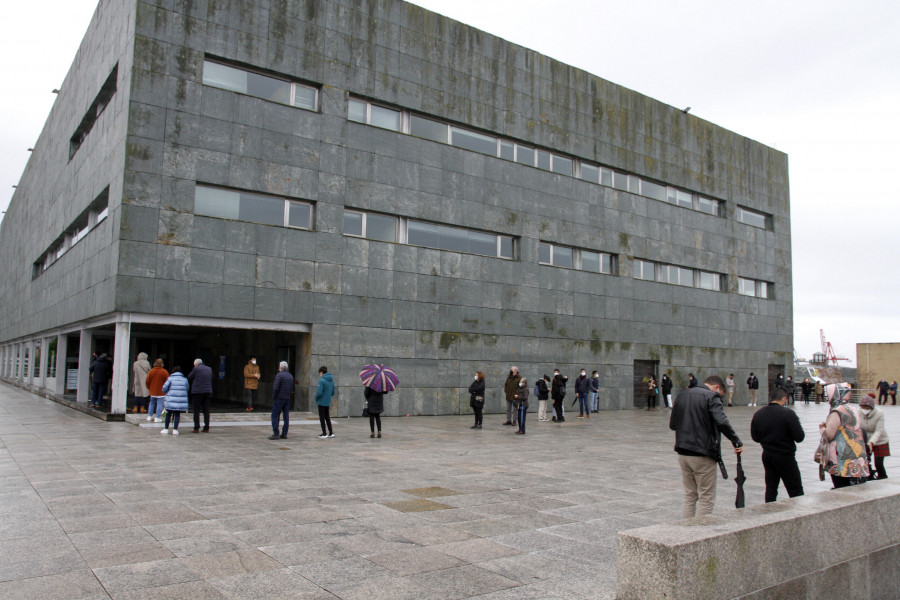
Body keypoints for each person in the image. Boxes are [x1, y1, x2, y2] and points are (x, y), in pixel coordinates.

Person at [669, 375, 743, 519]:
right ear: (717, 388)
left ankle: (686, 532)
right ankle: (700, 534)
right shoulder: (711, 397)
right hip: (703, 454)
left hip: (683, 452)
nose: (719, 397)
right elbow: (722, 422)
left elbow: (673, 425)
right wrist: (736, 441)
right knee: (706, 497)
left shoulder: (682, 396)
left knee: (690, 495)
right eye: (720, 394)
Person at [750, 387, 805, 502]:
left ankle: (769, 511)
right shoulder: (788, 414)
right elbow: (799, 437)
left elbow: (755, 437)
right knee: (795, 489)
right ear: (784, 399)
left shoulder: (758, 414)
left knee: (771, 488)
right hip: (785, 456)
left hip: (768, 455)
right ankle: (800, 512)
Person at [819, 382, 869, 488]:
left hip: (842, 457)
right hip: (855, 454)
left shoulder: (837, 411)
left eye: (828, 395)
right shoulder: (851, 408)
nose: (827, 398)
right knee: (852, 486)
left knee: (841, 486)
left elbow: (829, 435)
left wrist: (822, 429)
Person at [859, 393, 890, 480]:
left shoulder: (879, 413)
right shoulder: (858, 412)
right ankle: (868, 475)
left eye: (867, 408)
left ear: (872, 407)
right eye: (863, 407)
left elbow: (879, 430)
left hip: (880, 440)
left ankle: (883, 477)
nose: (865, 410)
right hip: (866, 439)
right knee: (865, 461)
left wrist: (871, 442)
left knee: (879, 463)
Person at [160, 366, 188, 435]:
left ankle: (166, 428)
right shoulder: (184, 379)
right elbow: (187, 388)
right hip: (180, 400)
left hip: (170, 400)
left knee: (168, 414)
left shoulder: (170, 379)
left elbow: (164, 388)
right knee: (177, 414)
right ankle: (175, 429)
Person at [269, 361, 293, 439]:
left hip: (279, 398)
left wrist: (274, 396)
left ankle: (276, 433)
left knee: (275, 415)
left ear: (281, 367)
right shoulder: (290, 376)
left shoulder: (279, 375)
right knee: (286, 417)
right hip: (287, 398)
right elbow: (291, 388)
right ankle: (284, 433)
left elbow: (275, 388)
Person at [188, 358, 213, 433]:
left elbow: (190, 377)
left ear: (195, 364)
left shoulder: (196, 369)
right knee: (206, 410)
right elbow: (211, 377)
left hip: (197, 392)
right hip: (207, 391)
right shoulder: (209, 369)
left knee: (196, 410)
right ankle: (206, 427)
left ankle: (196, 427)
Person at [145, 359, 169, 423]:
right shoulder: (164, 372)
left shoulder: (151, 371)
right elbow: (168, 382)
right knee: (160, 405)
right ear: (162, 364)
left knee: (151, 403)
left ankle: (149, 416)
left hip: (152, 391)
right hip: (161, 392)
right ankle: (157, 417)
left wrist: (150, 388)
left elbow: (147, 381)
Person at [315, 365, 335, 438]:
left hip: (321, 402)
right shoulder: (331, 380)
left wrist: (316, 398)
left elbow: (319, 393)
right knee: (327, 417)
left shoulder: (322, 381)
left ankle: (324, 433)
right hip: (327, 401)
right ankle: (331, 432)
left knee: (322, 418)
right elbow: (333, 392)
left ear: (321, 372)